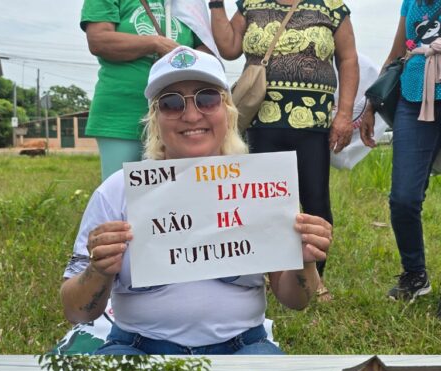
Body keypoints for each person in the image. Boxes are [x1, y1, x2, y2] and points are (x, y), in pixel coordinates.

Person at [61, 48, 334, 355]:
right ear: (155, 118)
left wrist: (305, 261)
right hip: (137, 346)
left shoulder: (262, 186)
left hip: (243, 346)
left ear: (227, 110)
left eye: (207, 99)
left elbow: (294, 301)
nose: (191, 115)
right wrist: (99, 269)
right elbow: (77, 312)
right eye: (171, 103)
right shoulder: (117, 191)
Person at [212, 0, 357, 301]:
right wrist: (215, 4)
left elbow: (349, 59)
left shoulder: (331, 6)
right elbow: (229, 48)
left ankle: (314, 278)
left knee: (315, 200)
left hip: (313, 124)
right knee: (266, 201)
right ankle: (272, 275)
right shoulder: (250, 4)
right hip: (261, 122)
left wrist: (343, 114)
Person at [361, 2, 441, 310]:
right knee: (404, 197)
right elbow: (397, 52)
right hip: (412, 96)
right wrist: (370, 105)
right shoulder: (411, 2)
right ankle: (415, 274)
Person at [81, 0, 206, 181]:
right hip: (122, 114)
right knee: (121, 192)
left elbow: (206, 47)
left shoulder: (190, 2)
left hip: (179, 115)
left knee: (178, 191)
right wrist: (155, 43)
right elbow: (99, 40)